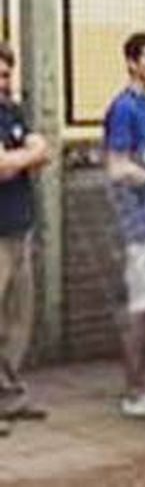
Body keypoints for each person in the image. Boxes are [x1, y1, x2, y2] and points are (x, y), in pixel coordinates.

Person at [103, 32, 145, 419]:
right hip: (138, 224)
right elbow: (116, 165)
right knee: (141, 309)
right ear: (131, 62)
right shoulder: (125, 108)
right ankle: (135, 390)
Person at [0, 42, 49, 434]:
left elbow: (42, 147)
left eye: (8, 73)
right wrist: (23, 156)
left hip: (19, 225)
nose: (6, 81)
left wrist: (21, 156)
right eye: (0, 74)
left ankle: (9, 395)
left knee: (18, 319)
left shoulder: (11, 110)